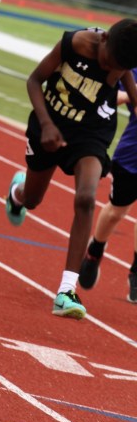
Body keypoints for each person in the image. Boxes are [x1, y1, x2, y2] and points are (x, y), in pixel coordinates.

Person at [5, 20, 137, 319]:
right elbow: (34, 80)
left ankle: (66, 291)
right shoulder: (76, 43)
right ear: (102, 39)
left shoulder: (121, 61)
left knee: (86, 198)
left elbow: (126, 73)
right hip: (50, 124)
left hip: (90, 133)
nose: (109, 70)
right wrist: (48, 125)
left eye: (116, 69)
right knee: (33, 200)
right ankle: (17, 194)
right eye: (107, 63)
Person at [78, 72, 137, 302]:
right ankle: (94, 252)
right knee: (116, 212)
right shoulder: (132, 67)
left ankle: (135, 272)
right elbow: (109, 96)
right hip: (132, 159)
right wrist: (127, 96)